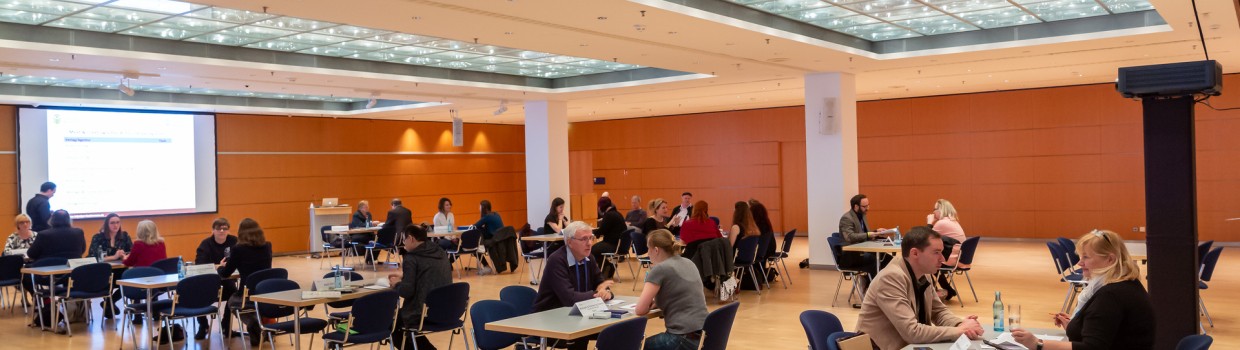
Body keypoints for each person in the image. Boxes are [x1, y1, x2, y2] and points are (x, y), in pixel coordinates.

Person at [1012, 230, 1153, 350]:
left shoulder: (1111, 296)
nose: (1080, 263)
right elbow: (1106, 331)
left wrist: (1038, 344)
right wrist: (1075, 324)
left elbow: (1092, 348)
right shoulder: (1126, 283)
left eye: (1086, 257)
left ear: (1110, 259)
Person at [855, 226, 983, 350]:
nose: (942, 259)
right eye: (936, 252)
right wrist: (959, 331)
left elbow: (938, 312)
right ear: (915, 253)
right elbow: (912, 333)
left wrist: (960, 324)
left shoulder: (923, 274)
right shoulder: (890, 278)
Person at [532, 221, 615, 350]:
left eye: (591, 238)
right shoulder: (557, 261)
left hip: (578, 314)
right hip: (551, 318)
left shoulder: (589, 258)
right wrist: (597, 294)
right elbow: (569, 299)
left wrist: (606, 292)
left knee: (615, 330)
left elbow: (601, 284)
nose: (589, 243)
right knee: (595, 332)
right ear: (569, 242)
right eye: (584, 239)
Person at [637, 229, 707, 350]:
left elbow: (640, 310)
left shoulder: (660, 269)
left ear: (656, 250)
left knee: (633, 346)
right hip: (703, 335)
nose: (647, 253)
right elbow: (681, 295)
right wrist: (660, 302)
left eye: (648, 249)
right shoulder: (688, 262)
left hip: (682, 338)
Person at [389, 225, 452, 350]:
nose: (403, 243)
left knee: (392, 322)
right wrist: (405, 275)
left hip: (422, 312)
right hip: (447, 310)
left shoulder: (411, 258)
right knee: (405, 327)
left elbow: (407, 291)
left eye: (404, 239)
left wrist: (396, 284)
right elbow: (428, 274)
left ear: (411, 238)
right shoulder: (440, 252)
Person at [217, 218, 273, 347]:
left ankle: (253, 323)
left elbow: (226, 274)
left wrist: (220, 267)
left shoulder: (238, 249)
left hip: (246, 294)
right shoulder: (267, 245)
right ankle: (260, 324)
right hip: (265, 293)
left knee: (232, 302)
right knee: (252, 304)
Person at [194, 218, 238, 340]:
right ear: (213, 230)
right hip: (209, 281)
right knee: (196, 293)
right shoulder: (206, 244)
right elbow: (199, 265)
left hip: (227, 280)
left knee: (234, 293)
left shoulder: (234, 241)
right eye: (219, 228)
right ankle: (203, 325)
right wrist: (218, 266)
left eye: (225, 228)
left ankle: (226, 324)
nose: (222, 231)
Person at [838, 194, 890, 278]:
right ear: (856, 206)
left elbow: (864, 233)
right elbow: (849, 237)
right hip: (851, 255)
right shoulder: (847, 218)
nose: (867, 208)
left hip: (863, 250)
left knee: (887, 259)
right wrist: (869, 234)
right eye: (864, 206)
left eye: (868, 205)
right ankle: (871, 287)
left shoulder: (862, 215)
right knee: (875, 261)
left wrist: (876, 232)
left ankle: (879, 284)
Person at [928, 199, 966, 301]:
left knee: (925, 263)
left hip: (953, 260)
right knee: (932, 261)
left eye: (934, 209)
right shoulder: (952, 220)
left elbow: (924, 238)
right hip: (961, 258)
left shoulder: (941, 223)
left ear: (941, 210)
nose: (933, 212)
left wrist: (929, 223)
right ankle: (948, 290)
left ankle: (932, 294)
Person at [591, 197, 626, 278]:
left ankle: (608, 267)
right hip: (620, 244)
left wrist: (592, 232)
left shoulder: (609, 215)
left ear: (602, 206)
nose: (599, 209)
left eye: (599, 207)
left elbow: (602, 230)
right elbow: (606, 229)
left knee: (592, 250)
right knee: (597, 249)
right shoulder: (617, 213)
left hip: (612, 244)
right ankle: (608, 267)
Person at [471, 200, 504, 273]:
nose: (479, 208)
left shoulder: (487, 217)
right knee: (480, 231)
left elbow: (474, 226)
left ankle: (486, 266)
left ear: (483, 208)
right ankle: (485, 265)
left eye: (479, 207)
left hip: (493, 239)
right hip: (500, 238)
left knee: (474, 247)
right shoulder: (496, 214)